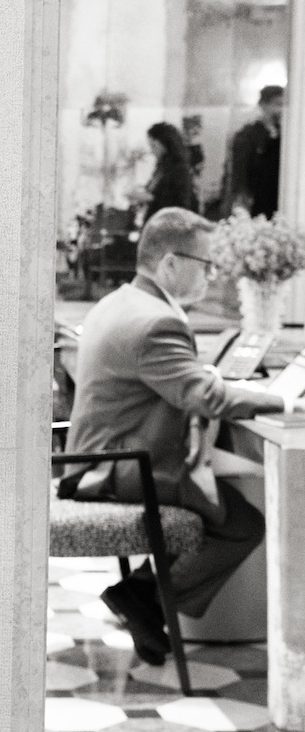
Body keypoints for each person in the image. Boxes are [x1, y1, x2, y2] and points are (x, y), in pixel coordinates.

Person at [62, 208, 303, 662]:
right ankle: (145, 597)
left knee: (223, 492)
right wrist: (288, 402)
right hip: (117, 469)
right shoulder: (156, 322)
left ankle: (143, 594)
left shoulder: (121, 302)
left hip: (96, 458)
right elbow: (207, 398)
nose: (212, 276)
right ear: (170, 263)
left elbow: (182, 383)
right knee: (242, 525)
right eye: (206, 264)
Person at [226, 84, 284, 219]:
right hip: (257, 200)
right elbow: (240, 172)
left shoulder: (286, 135)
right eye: (277, 104)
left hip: (277, 199)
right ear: (264, 105)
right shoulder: (248, 135)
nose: (281, 110)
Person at [135, 121, 197, 223]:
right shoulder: (161, 167)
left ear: (166, 144)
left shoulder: (179, 169)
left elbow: (180, 204)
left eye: (154, 146)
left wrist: (149, 198)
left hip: (168, 227)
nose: (152, 151)